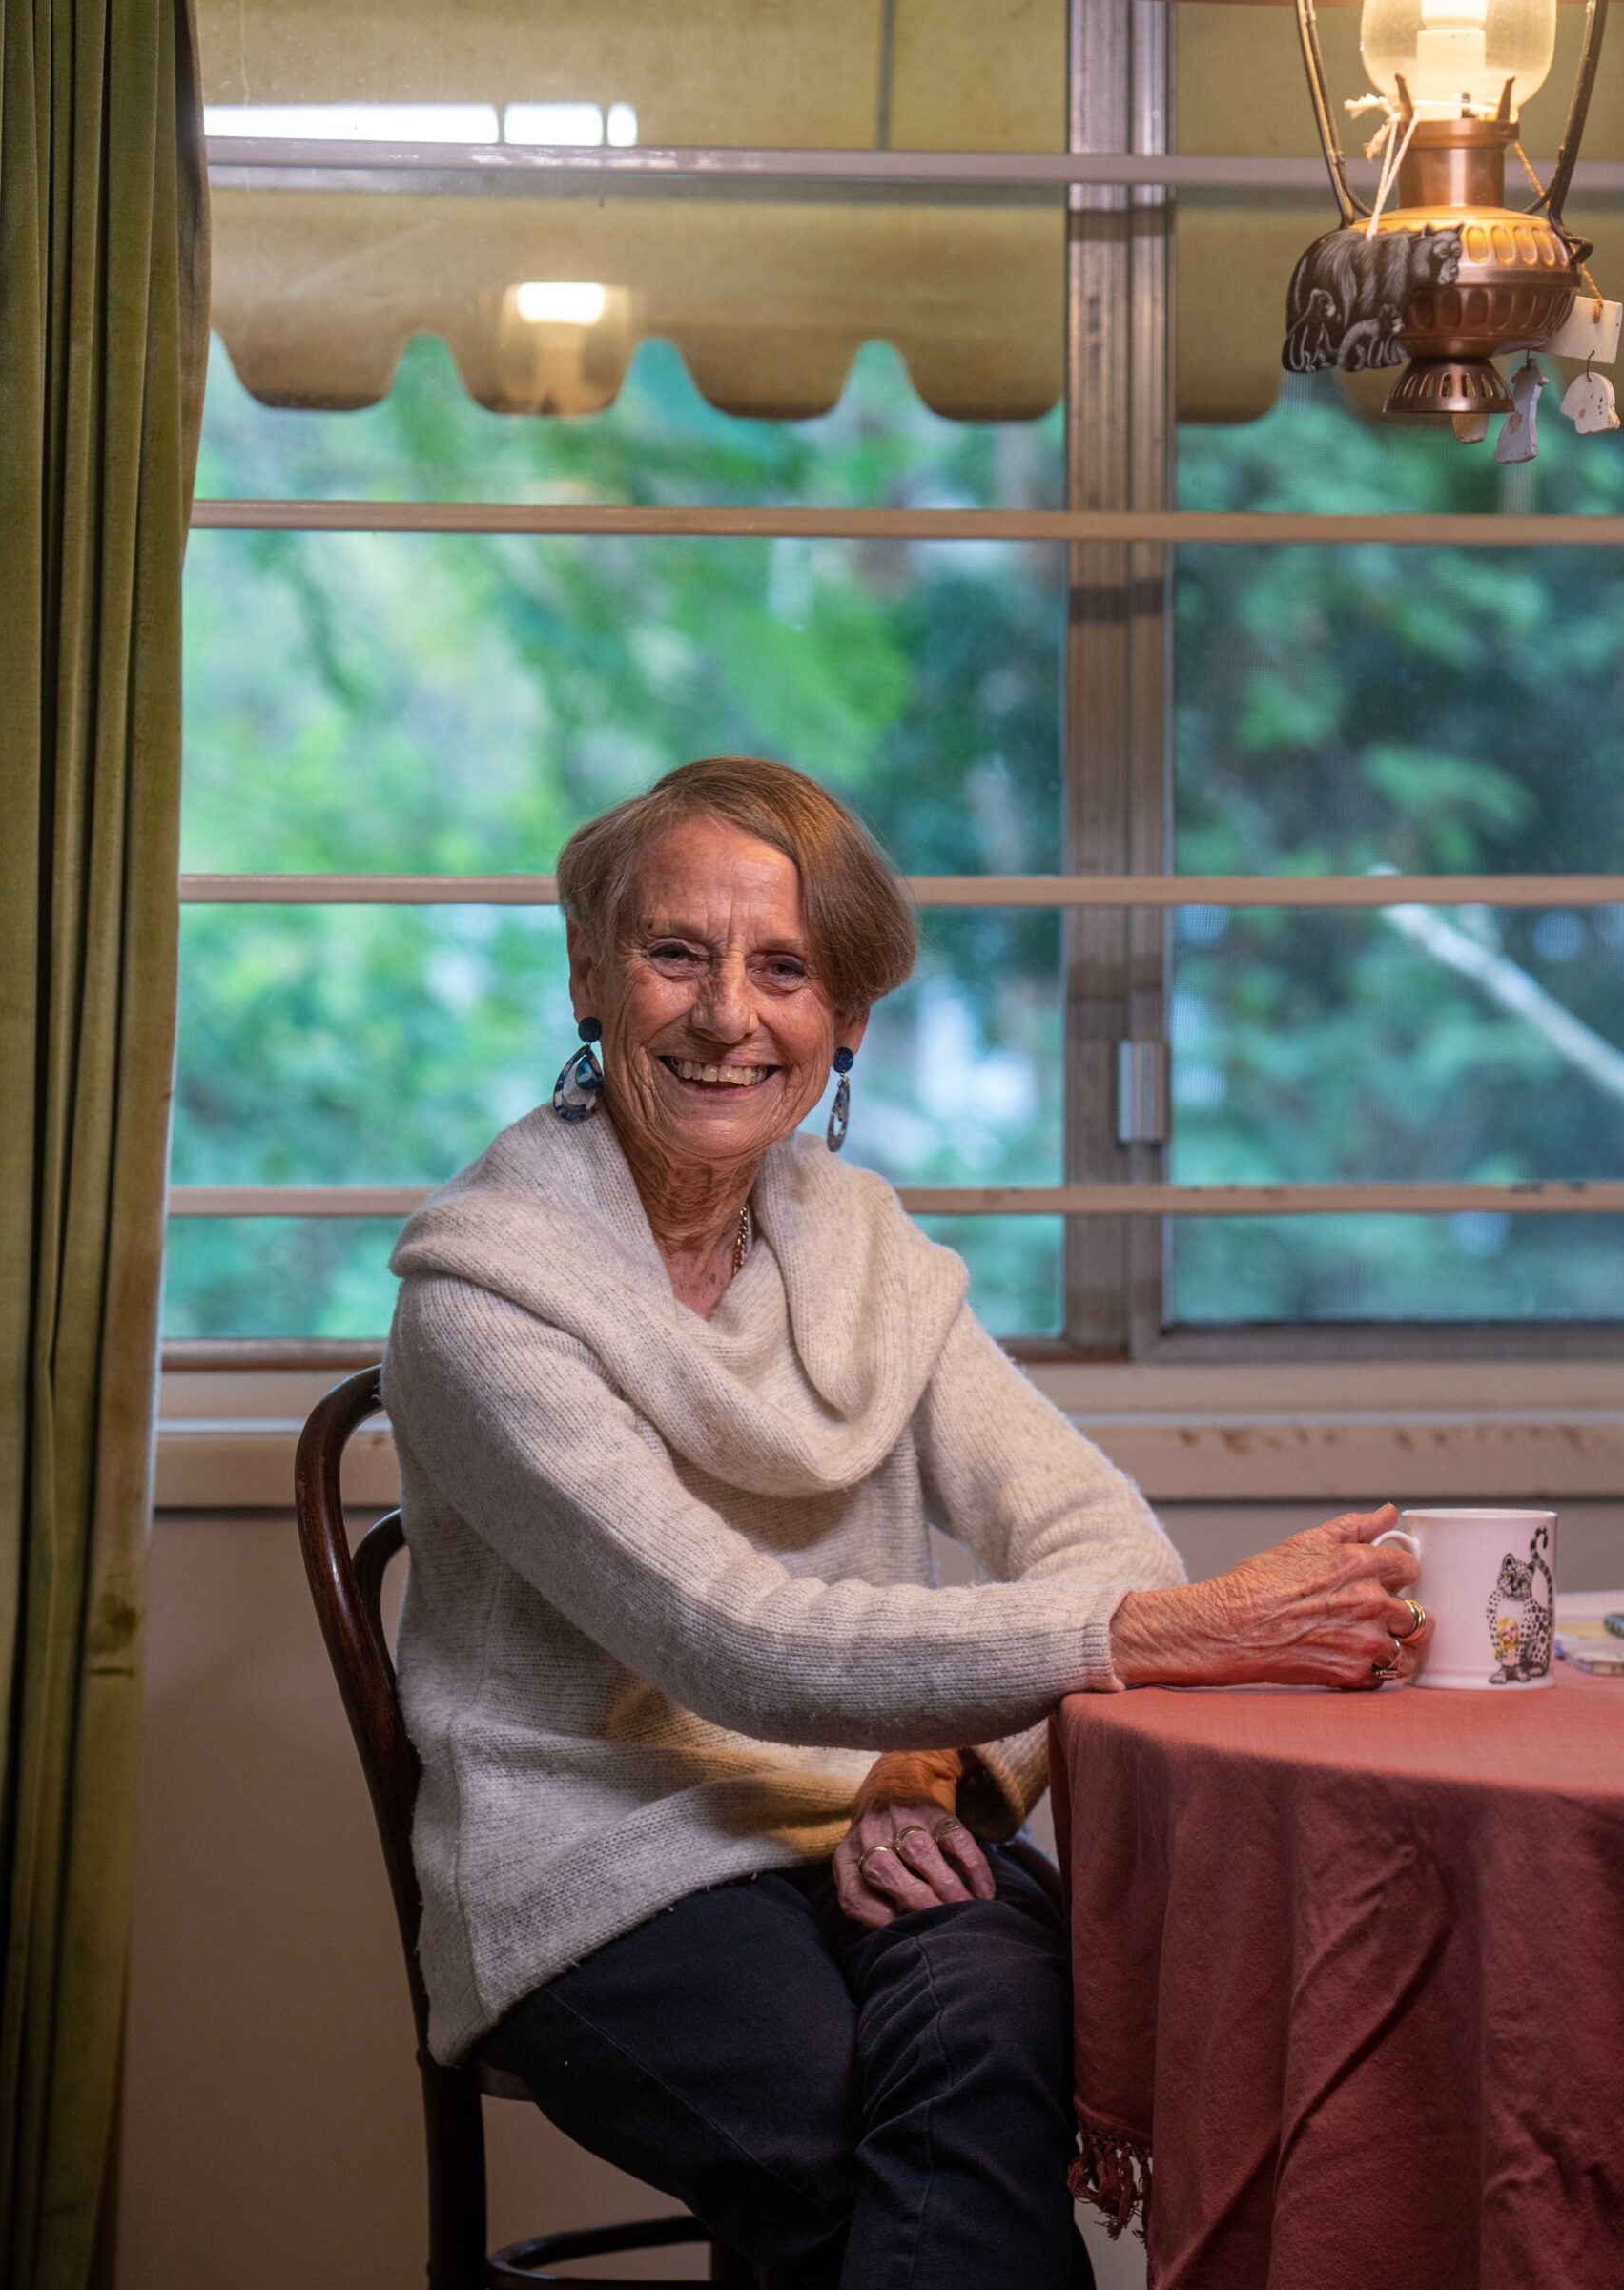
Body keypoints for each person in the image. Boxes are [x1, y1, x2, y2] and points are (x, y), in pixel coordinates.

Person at [383, 755, 1429, 2290]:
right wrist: (1165, 1640)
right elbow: (730, 1637)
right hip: (600, 1858)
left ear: (846, 1021)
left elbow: (1099, 1531)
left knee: (995, 2042)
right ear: (592, 977)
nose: (730, 1015)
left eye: (786, 969)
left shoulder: (861, 1244)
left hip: (888, 1820)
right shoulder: (483, 1302)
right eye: (678, 953)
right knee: (851, 2139)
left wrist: (928, 1764)